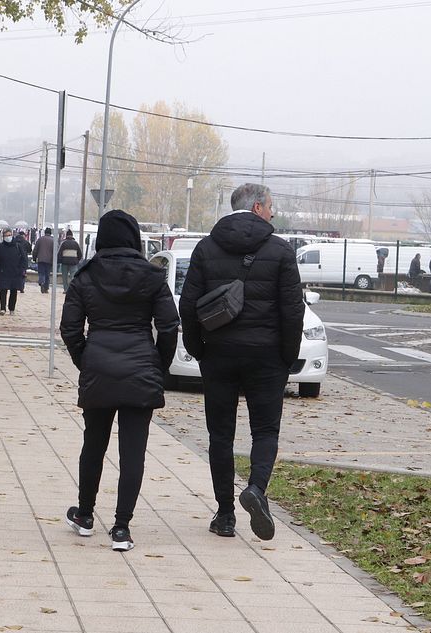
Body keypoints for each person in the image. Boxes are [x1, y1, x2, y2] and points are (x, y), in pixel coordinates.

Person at [178, 183, 304, 541]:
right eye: (271, 206)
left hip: (218, 354)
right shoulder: (280, 251)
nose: (273, 213)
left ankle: (224, 515)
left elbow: (188, 304)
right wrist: (287, 356)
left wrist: (198, 349)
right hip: (267, 357)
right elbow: (292, 310)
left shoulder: (206, 248)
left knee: (220, 434)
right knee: (265, 430)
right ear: (258, 208)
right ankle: (256, 489)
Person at [61, 210, 179, 552]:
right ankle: (122, 528)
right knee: (133, 452)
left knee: (93, 444)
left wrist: (86, 361)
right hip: (141, 370)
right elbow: (169, 327)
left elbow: (70, 328)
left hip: (98, 369)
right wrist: (158, 365)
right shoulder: (152, 276)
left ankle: (85, 515)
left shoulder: (85, 276)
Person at [0, 228, 27, 316]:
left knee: (14, 291)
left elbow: (24, 259)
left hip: (15, 272)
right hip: (3, 272)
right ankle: (2, 308)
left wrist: (22, 269)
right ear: (3, 237)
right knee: (3, 290)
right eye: (6, 235)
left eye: (9, 235)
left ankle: (12, 308)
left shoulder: (18, 246)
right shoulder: (0, 247)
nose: (8, 237)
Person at [32, 228, 55, 293]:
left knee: (41, 273)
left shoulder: (40, 239)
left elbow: (35, 250)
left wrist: (34, 258)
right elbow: (55, 251)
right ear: (50, 233)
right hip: (49, 260)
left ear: (45, 232)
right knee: (47, 274)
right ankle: (46, 288)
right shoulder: (53, 240)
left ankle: (42, 282)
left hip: (41, 259)